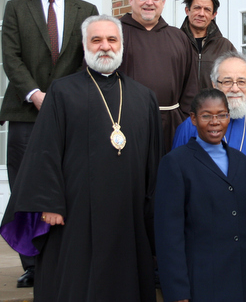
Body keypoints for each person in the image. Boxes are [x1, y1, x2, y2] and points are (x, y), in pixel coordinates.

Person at [0, 15, 162, 302]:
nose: (105, 47)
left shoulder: (144, 97)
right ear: (84, 46)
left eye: (112, 40)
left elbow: (152, 161)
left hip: (128, 211)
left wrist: (150, 210)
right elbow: (43, 151)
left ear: (121, 45)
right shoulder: (62, 92)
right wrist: (49, 203)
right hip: (74, 212)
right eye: (96, 40)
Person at [0, 0, 98, 288]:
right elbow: (10, 57)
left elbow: (89, 58)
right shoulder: (15, 9)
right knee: (25, 186)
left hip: (71, 114)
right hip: (25, 111)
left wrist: (66, 99)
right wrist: (35, 94)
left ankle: (63, 254)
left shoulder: (86, 9)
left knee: (68, 183)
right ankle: (32, 263)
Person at [155, 88, 246, 302]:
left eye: (221, 115)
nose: (215, 122)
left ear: (228, 117)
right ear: (193, 119)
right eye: (206, 116)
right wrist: (177, 292)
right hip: (201, 285)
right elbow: (169, 236)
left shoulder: (242, 163)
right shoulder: (176, 163)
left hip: (242, 283)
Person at [172, 51, 246, 262]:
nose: (235, 88)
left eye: (242, 81)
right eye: (227, 81)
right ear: (213, 84)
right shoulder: (190, 127)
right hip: (206, 225)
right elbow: (176, 188)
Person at [119, 0, 198, 151]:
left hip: (171, 127)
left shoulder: (179, 37)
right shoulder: (114, 33)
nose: (149, 2)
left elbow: (190, 87)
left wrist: (183, 123)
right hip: (125, 124)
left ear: (163, 2)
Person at [180, 0, 236, 89]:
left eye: (207, 10)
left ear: (213, 15)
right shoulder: (175, 42)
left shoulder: (225, 47)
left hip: (215, 105)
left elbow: (236, 80)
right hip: (182, 105)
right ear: (187, 10)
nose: (201, 14)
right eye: (197, 8)